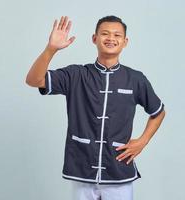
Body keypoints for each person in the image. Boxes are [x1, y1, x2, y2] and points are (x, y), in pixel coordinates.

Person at [26, 15, 166, 200]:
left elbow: (158, 112)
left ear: (125, 42)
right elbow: (33, 80)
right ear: (94, 38)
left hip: (119, 171)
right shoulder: (76, 75)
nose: (111, 38)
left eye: (117, 35)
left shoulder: (136, 79)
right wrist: (51, 49)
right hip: (82, 170)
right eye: (105, 34)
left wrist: (143, 141)